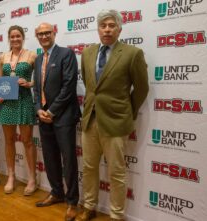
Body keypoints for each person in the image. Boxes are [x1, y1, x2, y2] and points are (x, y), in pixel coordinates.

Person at [75, 10, 149, 221]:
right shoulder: (87, 53)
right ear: (98, 29)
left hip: (116, 122)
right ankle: (89, 206)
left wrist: (127, 111)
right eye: (103, 26)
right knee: (89, 167)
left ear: (119, 29)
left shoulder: (132, 53)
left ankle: (117, 215)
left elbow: (141, 88)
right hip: (90, 120)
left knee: (116, 173)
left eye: (111, 25)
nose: (107, 29)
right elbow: (91, 87)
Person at [33, 23, 81, 221]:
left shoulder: (66, 54)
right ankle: (56, 192)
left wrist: (51, 111)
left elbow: (69, 86)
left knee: (68, 159)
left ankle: (72, 202)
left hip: (63, 116)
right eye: (40, 34)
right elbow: (36, 89)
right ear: (37, 36)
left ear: (54, 33)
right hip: (43, 117)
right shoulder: (37, 59)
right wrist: (38, 109)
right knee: (50, 157)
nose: (44, 36)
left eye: (47, 33)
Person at [0, 25, 37, 196]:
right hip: (7, 103)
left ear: (23, 37)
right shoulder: (3, 57)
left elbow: (41, 79)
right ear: (9, 38)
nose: (15, 39)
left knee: (27, 141)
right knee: (9, 140)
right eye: (12, 36)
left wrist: (29, 83)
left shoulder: (32, 55)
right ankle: (11, 176)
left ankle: (32, 179)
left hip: (25, 100)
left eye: (18, 36)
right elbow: (0, 80)